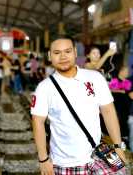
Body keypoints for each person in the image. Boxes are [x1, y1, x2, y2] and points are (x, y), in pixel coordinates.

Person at [31, 38, 126, 175]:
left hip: (99, 154)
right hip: (65, 162)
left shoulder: (95, 78)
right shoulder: (44, 88)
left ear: (75, 53)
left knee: (122, 171)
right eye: (57, 52)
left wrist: (118, 146)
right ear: (50, 56)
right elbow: (37, 122)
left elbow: (108, 111)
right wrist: (43, 159)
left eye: (67, 51)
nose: (63, 56)